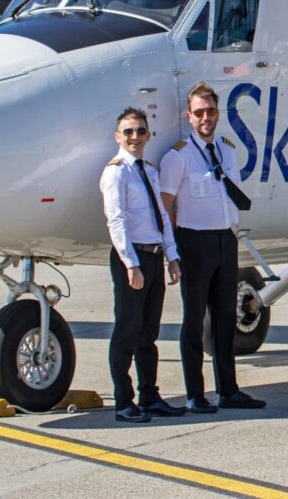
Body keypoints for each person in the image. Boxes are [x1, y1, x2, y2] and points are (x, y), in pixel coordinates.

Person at [159, 82, 265, 413]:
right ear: (188, 116)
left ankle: (229, 390)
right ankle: (195, 394)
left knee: (223, 319)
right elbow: (166, 206)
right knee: (193, 321)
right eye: (200, 112)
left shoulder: (227, 149)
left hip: (224, 239)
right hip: (194, 241)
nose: (206, 117)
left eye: (211, 112)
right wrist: (172, 251)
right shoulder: (178, 156)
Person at [100, 107, 186, 423]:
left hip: (152, 255)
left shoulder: (149, 170)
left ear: (148, 135)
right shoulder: (115, 172)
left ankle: (150, 395)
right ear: (118, 137)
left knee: (148, 332)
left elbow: (162, 216)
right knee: (126, 329)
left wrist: (172, 256)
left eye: (140, 131)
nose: (135, 137)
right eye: (128, 132)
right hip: (132, 258)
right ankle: (124, 401)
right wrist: (130, 264)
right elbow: (117, 219)